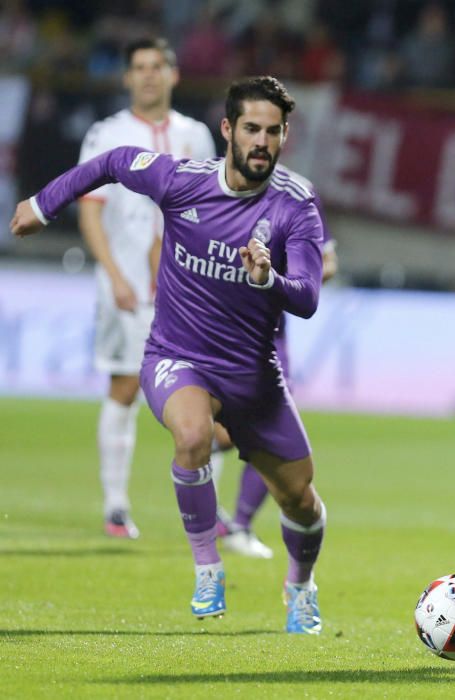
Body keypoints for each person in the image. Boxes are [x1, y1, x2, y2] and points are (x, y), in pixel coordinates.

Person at [11, 76, 327, 635]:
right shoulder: (181, 180)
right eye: (251, 128)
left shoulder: (295, 205)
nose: (261, 141)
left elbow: (307, 297)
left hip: (253, 374)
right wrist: (43, 203)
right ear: (228, 130)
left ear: (284, 137)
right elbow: (110, 162)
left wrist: (269, 277)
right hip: (177, 356)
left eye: (272, 132)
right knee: (191, 436)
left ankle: (300, 585)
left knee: (302, 502)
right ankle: (208, 568)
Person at [78, 37, 215, 539]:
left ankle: (211, 517)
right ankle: (116, 505)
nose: (149, 75)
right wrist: (114, 274)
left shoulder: (195, 136)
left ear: (174, 74)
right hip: (129, 287)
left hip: (188, 291)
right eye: (139, 67)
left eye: (157, 66)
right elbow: (90, 208)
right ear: (127, 77)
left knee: (209, 395)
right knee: (126, 385)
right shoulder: (107, 133)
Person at [214, 209, 337, 560]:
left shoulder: (297, 203)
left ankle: (238, 524)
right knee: (233, 430)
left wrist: (280, 280)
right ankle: (194, 452)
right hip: (215, 329)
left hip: (270, 335)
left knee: (268, 427)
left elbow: (327, 264)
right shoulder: (214, 197)